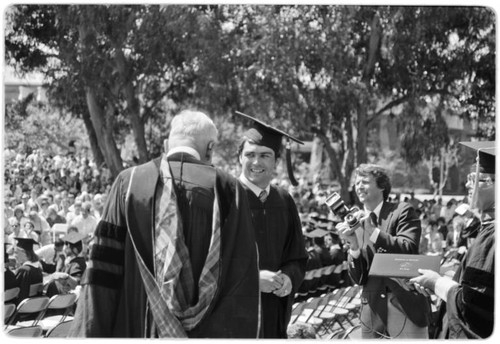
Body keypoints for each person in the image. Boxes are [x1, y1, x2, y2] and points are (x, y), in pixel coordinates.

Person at [68, 109, 260, 338]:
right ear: (210, 148)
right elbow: (243, 278)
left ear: (167, 143)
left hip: (137, 330)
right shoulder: (230, 191)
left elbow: (102, 277)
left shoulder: (128, 185)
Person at [410, 141, 495, 339]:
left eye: (476, 179)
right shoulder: (487, 230)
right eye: (468, 178)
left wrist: (438, 283)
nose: (468, 184)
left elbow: (474, 307)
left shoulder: (492, 236)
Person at [336, 163, 431, 339]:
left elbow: (408, 248)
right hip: (372, 311)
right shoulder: (354, 221)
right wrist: (353, 247)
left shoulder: (401, 210)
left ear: (381, 186)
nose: (359, 186)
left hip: (404, 306)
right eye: (356, 183)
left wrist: (372, 231)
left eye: (364, 181)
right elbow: (359, 278)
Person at [235, 111, 307, 338]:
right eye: (250, 154)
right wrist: (253, 280)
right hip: (234, 315)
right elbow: (210, 261)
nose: (256, 162)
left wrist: (288, 278)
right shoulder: (225, 197)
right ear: (239, 158)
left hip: (275, 314)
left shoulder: (284, 200)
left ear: (276, 161)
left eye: (265, 155)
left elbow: (297, 257)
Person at [46, 232, 87, 297]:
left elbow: (76, 283)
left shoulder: (77, 264)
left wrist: (66, 276)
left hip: (66, 300)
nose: (64, 249)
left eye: (67, 247)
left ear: (75, 250)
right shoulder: (72, 261)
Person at [13, 237, 44, 303]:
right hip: (33, 305)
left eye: (16, 253)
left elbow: (13, 291)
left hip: (21, 307)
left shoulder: (24, 270)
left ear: (24, 253)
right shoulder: (38, 268)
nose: (14, 256)